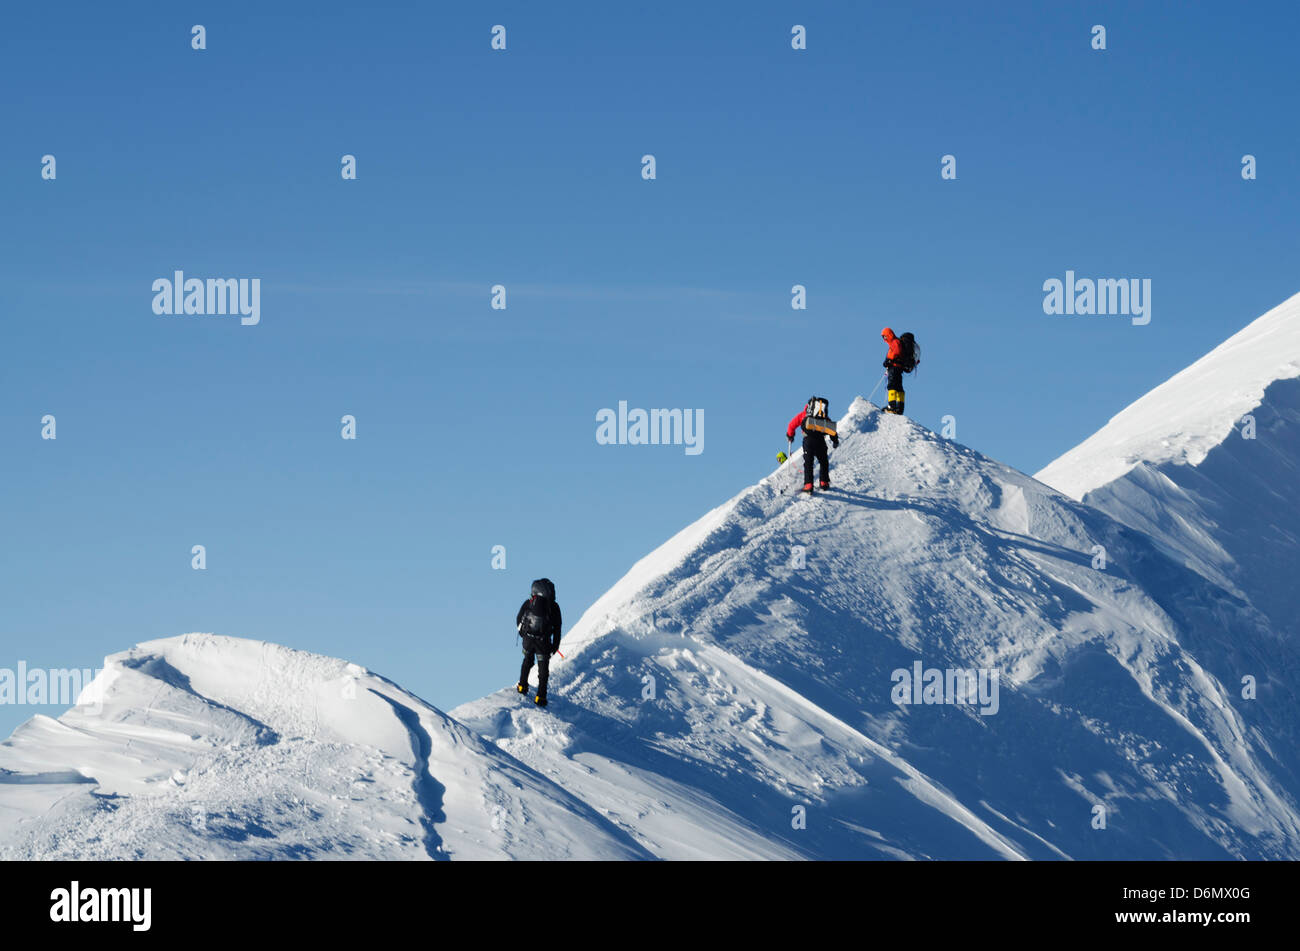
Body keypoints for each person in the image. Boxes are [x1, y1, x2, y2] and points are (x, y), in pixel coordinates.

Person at [516, 578, 562, 706]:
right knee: (543, 671)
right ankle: (540, 697)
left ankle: (522, 686)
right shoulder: (554, 607)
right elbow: (557, 628)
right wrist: (555, 645)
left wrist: (522, 634)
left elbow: (519, 618)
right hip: (544, 642)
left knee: (527, 661)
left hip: (528, 640)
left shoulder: (528, 603)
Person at [786, 396, 839, 493]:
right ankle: (824, 482)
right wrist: (835, 441)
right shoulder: (823, 416)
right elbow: (831, 429)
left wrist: (790, 436)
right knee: (823, 461)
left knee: (808, 463)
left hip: (808, 440)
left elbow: (791, 424)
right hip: (820, 440)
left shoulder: (803, 414)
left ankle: (808, 485)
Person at [880, 327, 907, 415]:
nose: (884, 339)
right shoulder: (896, 342)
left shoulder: (895, 342)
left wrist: (889, 360)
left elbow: (896, 352)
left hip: (894, 368)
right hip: (898, 368)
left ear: (889, 334)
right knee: (899, 388)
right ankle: (900, 408)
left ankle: (892, 406)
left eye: (885, 336)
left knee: (891, 386)